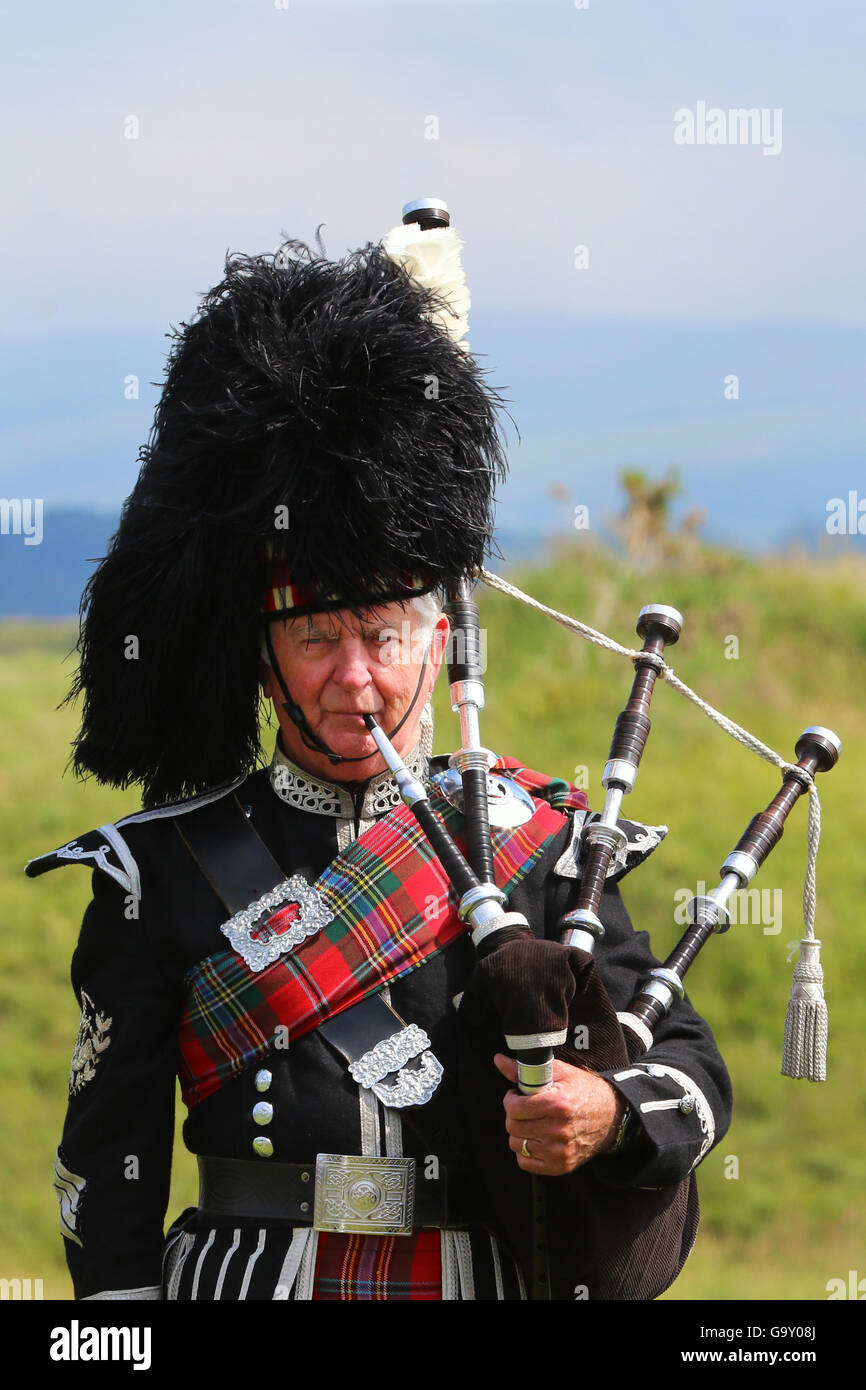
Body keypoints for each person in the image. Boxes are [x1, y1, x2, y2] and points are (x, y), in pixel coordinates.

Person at [28, 211, 731, 1301]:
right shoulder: (155, 877)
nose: (354, 676)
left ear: (437, 641)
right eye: (315, 635)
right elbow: (107, 1168)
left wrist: (603, 1114)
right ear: (262, 659)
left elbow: (686, 1071)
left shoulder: (544, 846)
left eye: (382, 633)